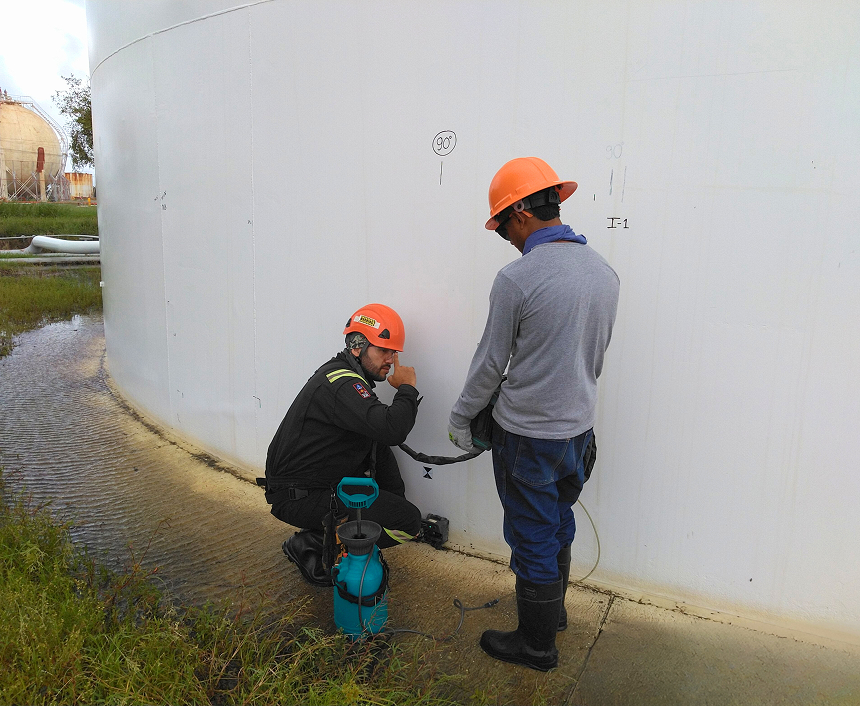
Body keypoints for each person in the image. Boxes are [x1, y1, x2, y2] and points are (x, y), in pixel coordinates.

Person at [448, 157, 620, 671]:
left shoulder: (518, 279)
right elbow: (592, 356)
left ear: (522, 212)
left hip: (528, 438)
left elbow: (489, 363)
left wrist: (461, 419)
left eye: (502, 224)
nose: (503, 236)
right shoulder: (604, 273)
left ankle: (536, 645)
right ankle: (553, 616)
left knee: (532, 535)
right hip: (578, 434)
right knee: (556, 520)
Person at [265, 303, 423, 587]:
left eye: (394, 351)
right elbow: (392, 429)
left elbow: (382, 431)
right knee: (408, 523)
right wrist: (407, 389)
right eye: (382, 350)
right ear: (356, 346)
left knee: (384, 468)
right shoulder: (341, 383)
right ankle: (317, 546)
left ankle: (341, 539)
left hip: (314, 484)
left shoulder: (345, 377)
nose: (391, 358)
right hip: (298, 497)